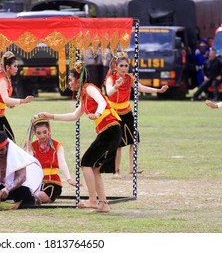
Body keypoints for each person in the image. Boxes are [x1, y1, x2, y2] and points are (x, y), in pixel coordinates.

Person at [37, 61, 122, 213]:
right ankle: (103, 204)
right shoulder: (83, 95)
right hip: (107, 131)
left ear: (78, 79)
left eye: (70, 80)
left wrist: (97, 113)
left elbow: (102, 101)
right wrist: (51, 116)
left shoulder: (89, 88)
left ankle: (92, 200)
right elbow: (74, 115)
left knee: (86, 163)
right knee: (93, 167)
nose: (69, 83)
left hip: (111, 129)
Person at [105, 52, 169, 177]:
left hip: (127, 111)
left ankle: (132, 167)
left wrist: (158, 90)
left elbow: (140, 88)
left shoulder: (130, 78)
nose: (124, 68)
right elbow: (108, 92)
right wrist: (116, 86)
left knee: (135, 140)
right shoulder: (110, 79)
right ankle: (116, 170)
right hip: (114, 113)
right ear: (116, 67)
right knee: (119, 144)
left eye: (126, 66)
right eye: (121, 66)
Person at [0, 51, 34, 143]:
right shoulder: (2, 80)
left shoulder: (7, 78)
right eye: (15, 66)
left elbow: (3, 99)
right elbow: (5, 99)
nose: (17, 69)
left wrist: (9, 105)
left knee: (8, 140)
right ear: (8, 68)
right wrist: (23, 101)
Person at [24, 117, 77, 204]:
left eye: (45, 132)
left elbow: (62, 163)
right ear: (34, 133)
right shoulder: (31, 146)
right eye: (39, 133)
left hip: (53, 182)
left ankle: (34, 199)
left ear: (49, 130)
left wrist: (69, 179)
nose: (42, 136)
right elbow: (28, 165)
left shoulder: (57, 146)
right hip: (37, 182)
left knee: (40, 195)